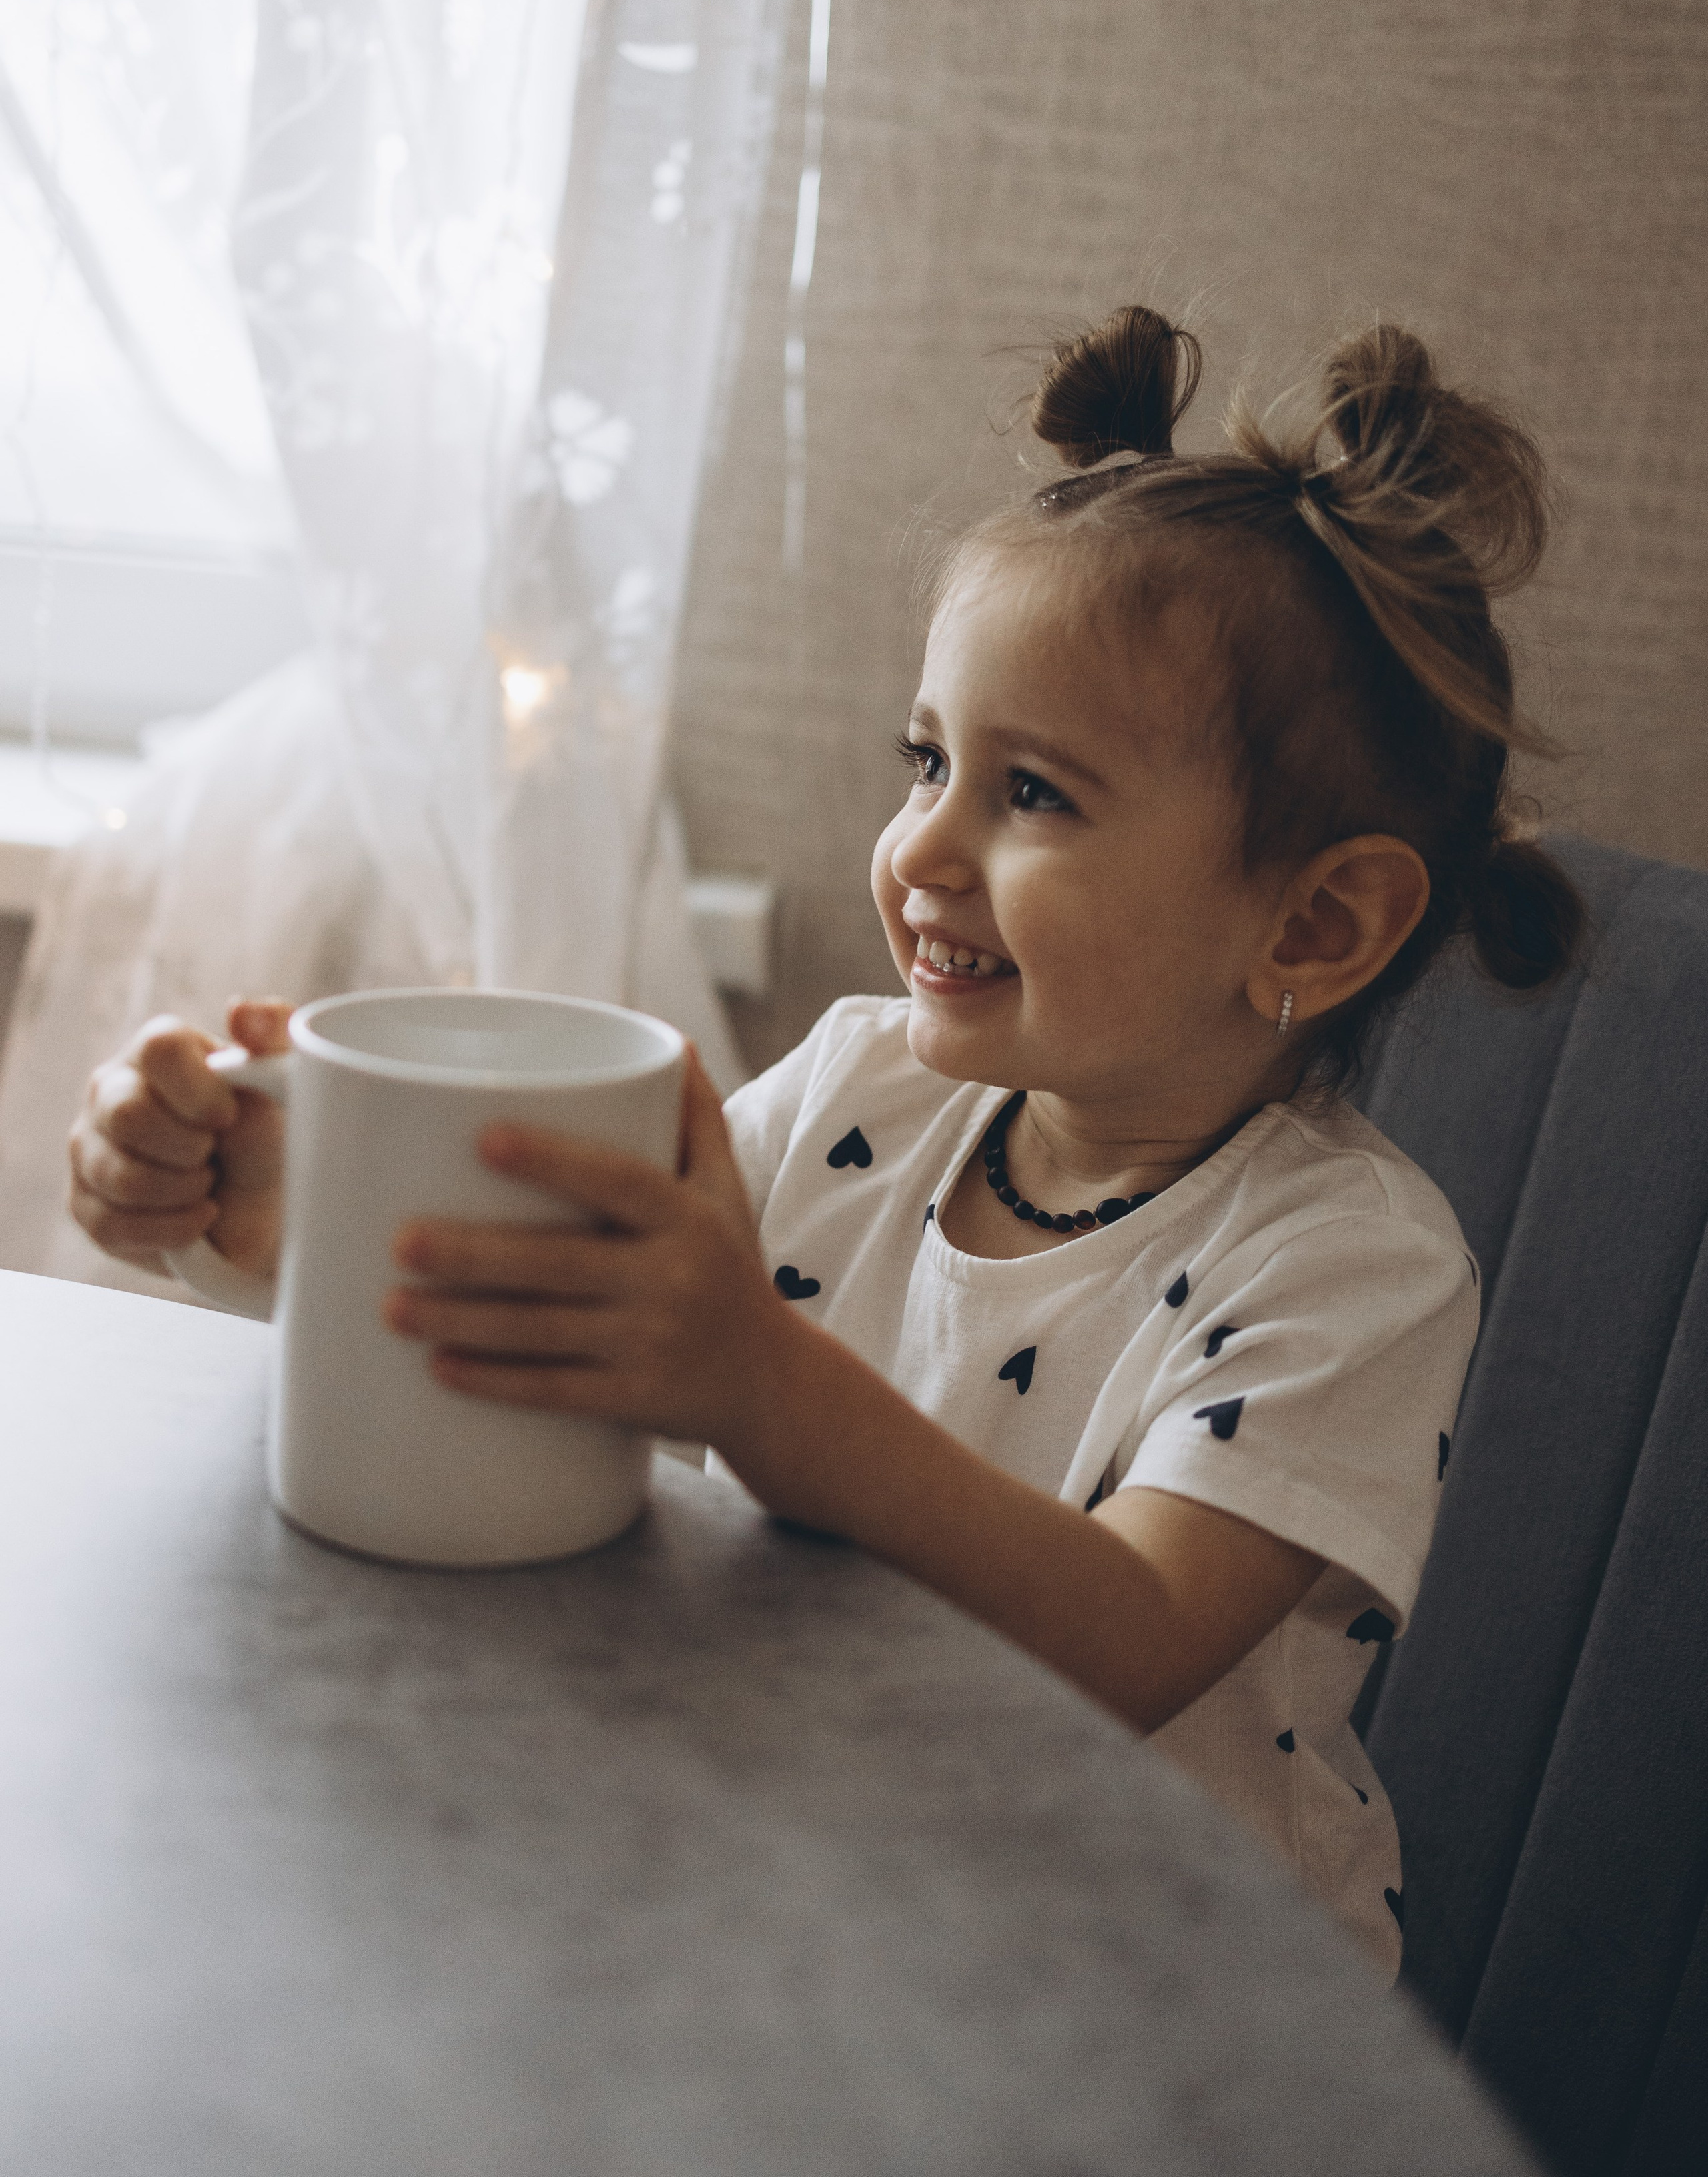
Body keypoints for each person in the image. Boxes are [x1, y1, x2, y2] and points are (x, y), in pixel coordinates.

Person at [69, 306, 1583, 1978]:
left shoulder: (1346, 1268)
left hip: (1152, 2012)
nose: (921, 845)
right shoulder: (863, 1087)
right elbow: (568, 1319)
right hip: (807, 1901)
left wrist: (752, 1386)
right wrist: (282, 1219)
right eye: (928, 760)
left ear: (1314, 920)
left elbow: (1122, 1638)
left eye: (1035, 797)